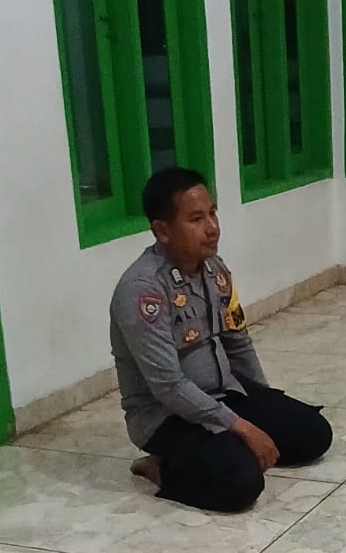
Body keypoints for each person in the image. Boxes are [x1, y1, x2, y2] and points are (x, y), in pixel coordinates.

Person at [110, 166, 332, 512]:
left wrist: (262, 405)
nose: (212, 227)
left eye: (212, 213)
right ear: (162, 230)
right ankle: (160, 469)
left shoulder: (214, 269)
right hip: (167, 416)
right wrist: (243, 428)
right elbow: (167, 385)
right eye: (196, 219)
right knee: (241, 482)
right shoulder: (143, 291)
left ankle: (224, 445)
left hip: (224, 393)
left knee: (313, 434)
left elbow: (237, 340)